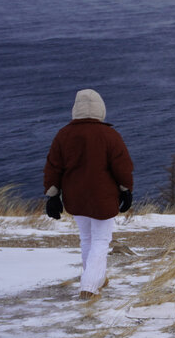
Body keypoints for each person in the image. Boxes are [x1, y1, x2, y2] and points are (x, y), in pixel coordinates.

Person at [43, 89, 134, 300]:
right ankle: (90, 287)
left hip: (75, 197)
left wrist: (53, 196)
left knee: (87, 239)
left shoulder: (63, 134)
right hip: (103, 196)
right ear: (100, 108)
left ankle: (95, 279)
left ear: (76, 108)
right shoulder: (110, 135)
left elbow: (53, 167)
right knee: (101, 241)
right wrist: (126, 189)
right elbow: (122, 166)